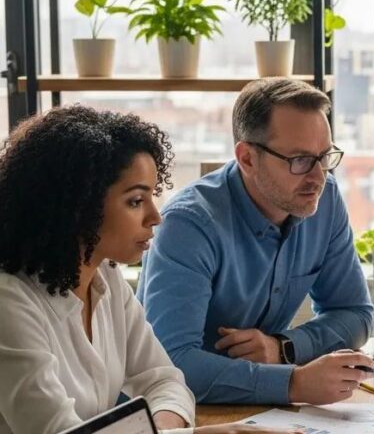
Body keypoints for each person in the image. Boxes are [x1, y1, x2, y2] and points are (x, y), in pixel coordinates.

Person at [0, 106, 302, 434]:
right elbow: (58, 430)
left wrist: (165, 431)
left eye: (152, 197)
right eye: (135, 201)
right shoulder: (9, 303)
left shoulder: (106, 279)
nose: (155, 217)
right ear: (77, 206)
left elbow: (166, 381)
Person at [137, 78, 374, 405]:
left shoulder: (325, 200)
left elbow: (355, 314)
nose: (318, 177)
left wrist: (283, 348)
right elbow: (172, 363)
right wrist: (292, 383)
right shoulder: (188, 225)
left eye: (324, 157)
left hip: (263, 411)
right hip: (184, 413)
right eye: (300, 160)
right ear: (247, 158)